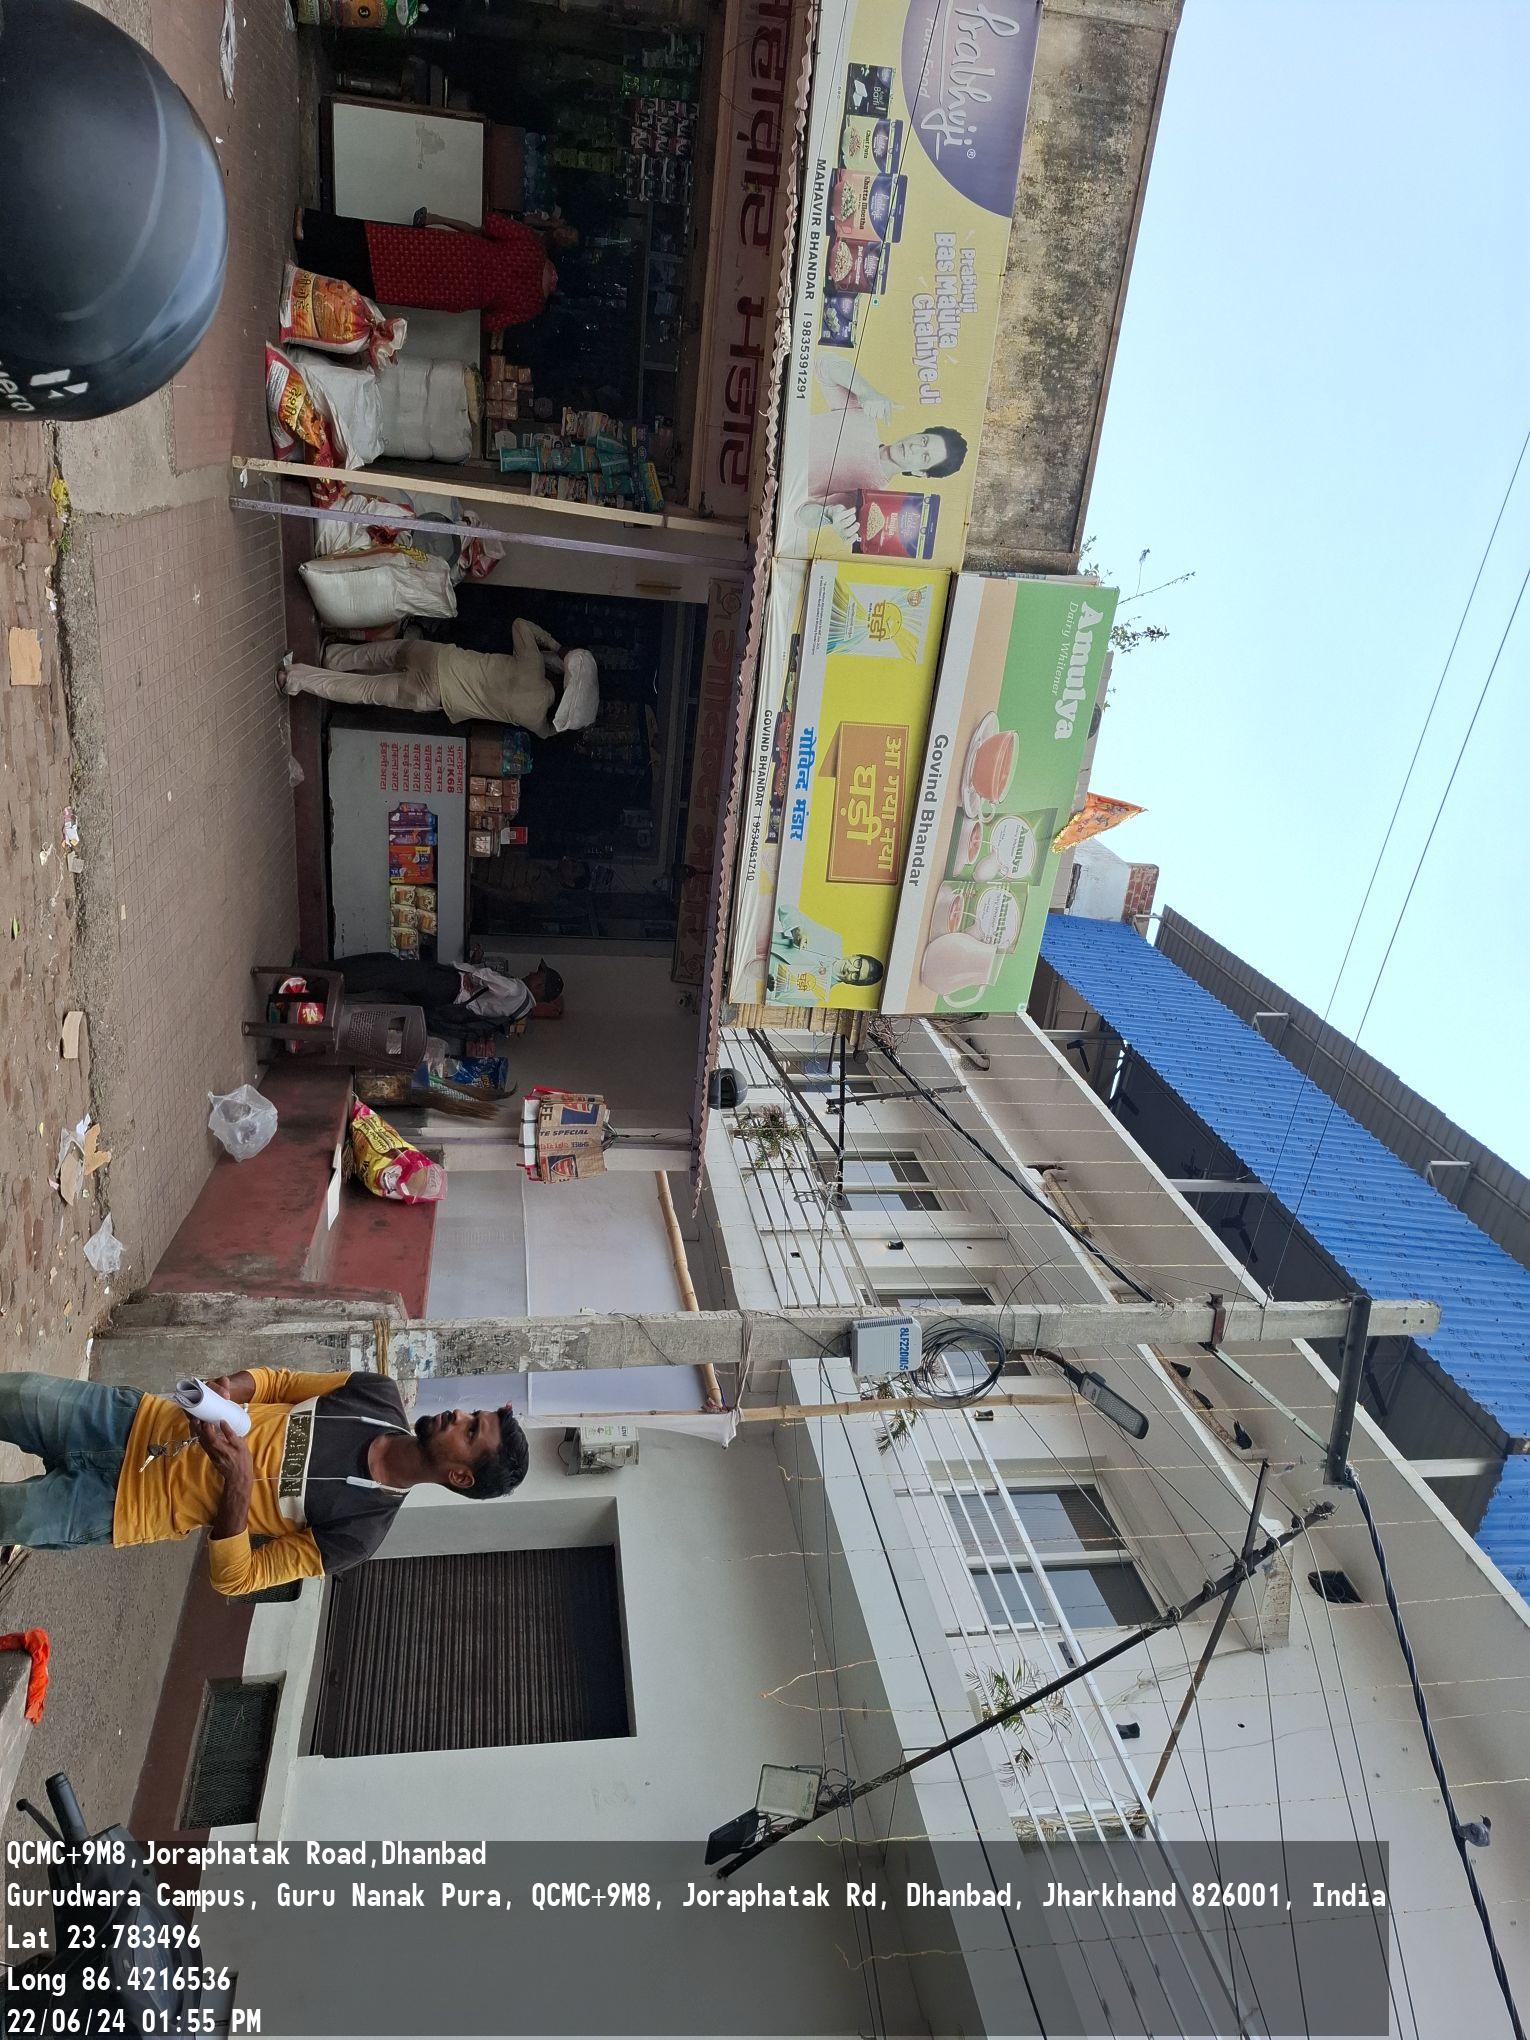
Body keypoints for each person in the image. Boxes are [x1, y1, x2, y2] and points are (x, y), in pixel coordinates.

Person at [0, 1366, 530, 1599]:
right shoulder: (376, 1395)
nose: (458, 1415)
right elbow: (281, 1383)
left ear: (459, 1476)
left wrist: (237, 1485)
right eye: (473, 1414)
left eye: (470, 1431)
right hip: (129, 1420)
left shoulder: (360, 1533)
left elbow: (237, 1578)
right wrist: (232, 1388)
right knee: (14, 1396)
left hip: (122, 1506)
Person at [293, 204, 578, 332]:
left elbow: (492, 223)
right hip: (452, 292)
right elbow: (490, 323)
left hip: (450, 253)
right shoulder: (532, 305)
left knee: (377, 241)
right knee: (379, 282)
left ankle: (310, 226)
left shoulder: (532, 247)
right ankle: (310, 263)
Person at [282, 627, 599, 741]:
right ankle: (295, 679)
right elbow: (552, 730)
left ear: (562, 677)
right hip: (434, 697)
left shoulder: (532, 667)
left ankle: (334, 657)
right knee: (365, 692)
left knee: (385, 654)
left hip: (437, 658)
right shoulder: (536, 722)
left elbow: (521, 625)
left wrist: (558, 649)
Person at [796, 352, 967, 544]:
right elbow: (824, 365)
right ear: (918, 433)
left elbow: (801, 514)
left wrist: (828, 515)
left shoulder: (867, 498)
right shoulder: (864, 418)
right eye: (924, 441)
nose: (914, 447)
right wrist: (867, 391)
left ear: (920, 472)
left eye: (925, 457)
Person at [317, 955, 563, 1036]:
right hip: (445, 1002)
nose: (532, 972)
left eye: (538, 974)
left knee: (384, 972)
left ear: (540, 986)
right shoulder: (520, 1011)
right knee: (386, 979)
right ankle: (325, 987)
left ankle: (321, 980)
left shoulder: (517, 989)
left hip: (447, 985)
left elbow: (484, 979)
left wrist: (476, 973)